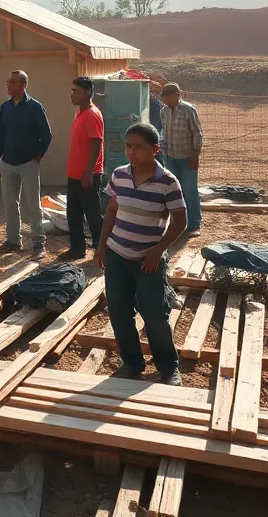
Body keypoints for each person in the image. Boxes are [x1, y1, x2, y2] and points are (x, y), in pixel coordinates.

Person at [94, 123, 187, 385]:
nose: (131, 152)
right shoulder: (119, 175)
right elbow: (112, 211)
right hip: (116, 256)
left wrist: (157, 251)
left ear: (155, 150)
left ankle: (169, 368)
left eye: (139, 147)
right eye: (128, 146)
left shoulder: (168, 182)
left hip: (148, 261)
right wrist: (102, 246)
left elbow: (180, 221)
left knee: (155, 315)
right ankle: (133, 363)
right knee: (120, 312)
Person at [0, 70, 52, 257]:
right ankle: (13, 241)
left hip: (28, 164)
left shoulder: (35, 107)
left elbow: (46, 134)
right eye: (8, 82)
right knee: (10, 204)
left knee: (33, 205)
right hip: (7, 163)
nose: (8, 85)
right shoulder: (5, 107)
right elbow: (1, 134)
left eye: (13, 82)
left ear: (23, 85)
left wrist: (38, 156)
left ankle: (38, 242)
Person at [158, 82, 204, 238]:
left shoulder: (189, 110)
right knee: (173, 192)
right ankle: (177, 224)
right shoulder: (164, 111)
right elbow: (163, 130)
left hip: (187, 158)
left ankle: (194, 224)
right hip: (170, 157)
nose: (163, 100)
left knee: (190, 191)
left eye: (166, 97)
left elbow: (197, 134)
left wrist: (195, 155)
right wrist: (162, 149)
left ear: (176, 96)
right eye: (162, 97)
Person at [66, 76, 105, 257]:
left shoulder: (92, 114)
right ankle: (77, 248)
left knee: (92, 214)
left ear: (87, 92)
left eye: (75, 91)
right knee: (73, 213)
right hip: (74, 173)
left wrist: (89, 171)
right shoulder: (79, 112)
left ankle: (101, 247)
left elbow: (96, 142)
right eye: (72, 90)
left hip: (87, 174)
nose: (71, 94)